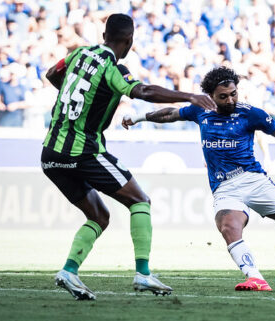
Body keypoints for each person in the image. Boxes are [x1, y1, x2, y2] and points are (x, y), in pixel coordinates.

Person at [41, 13, 217, 301]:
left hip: (50, 154)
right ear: (129, 40)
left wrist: (74, 95)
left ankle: (69, 270)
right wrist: (189, 96)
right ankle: (143, 273)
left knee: (99, 215)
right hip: (83, 151)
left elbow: (51, 74)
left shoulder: (78, 54)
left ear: (104, 35)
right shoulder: (114, 69)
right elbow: (143, 90)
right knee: (140, 201)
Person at [123, 66, 275, 291]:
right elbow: (170, 115)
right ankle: (255, 278)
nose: (230, 100)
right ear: (211, 96)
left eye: (233, 94)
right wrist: (137, 117)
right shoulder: (199, 110)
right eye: (223, 96)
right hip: (224, 187)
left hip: (252, 179)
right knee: (228, 227)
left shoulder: (251, 113)